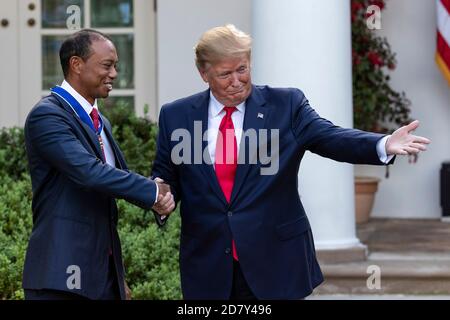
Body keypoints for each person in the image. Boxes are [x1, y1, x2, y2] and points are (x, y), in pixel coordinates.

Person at [151, 24, 430, 300]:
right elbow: (166, 174)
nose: (236, 81)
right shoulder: (176, 116)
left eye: (242, 69)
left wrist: (381, 143)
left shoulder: (286, 105)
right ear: (203, 73)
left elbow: (329, 137)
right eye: (225, 74)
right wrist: (162, 195)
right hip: (208, 262)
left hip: (274, 259)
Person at [22, 29, 174, 300]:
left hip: (100, 274)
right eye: (107, 65)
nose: (114, 73)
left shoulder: (100, 121)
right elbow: (90, 173)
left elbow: (115, 177)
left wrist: (116, 278)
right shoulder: (47, 116)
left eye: (115, 66)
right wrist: (152, 193)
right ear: (77, 65)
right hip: (61, 276)